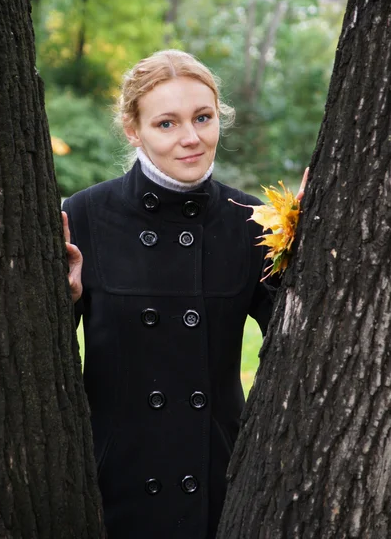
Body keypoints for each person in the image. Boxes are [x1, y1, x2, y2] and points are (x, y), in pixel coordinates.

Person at [61, 49, 307, 539]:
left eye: (203, 117)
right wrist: (60, 306)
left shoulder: (253, 220)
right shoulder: (84, 216)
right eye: (167, 123)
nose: (191, 138)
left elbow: (298, 342)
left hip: (218, 480)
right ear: (134, 129)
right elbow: (35, 367)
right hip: (116, 479)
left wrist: (311, 244)